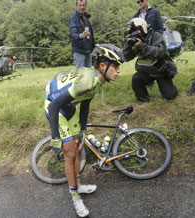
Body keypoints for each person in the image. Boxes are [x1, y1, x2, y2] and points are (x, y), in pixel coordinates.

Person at [44, 44, 124, 217]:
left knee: (79, 147)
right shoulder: (86, 82)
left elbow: (85, 105)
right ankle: (75, 198)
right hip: (55, 107)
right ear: (103, 66)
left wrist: (82, 130)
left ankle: (78, 185)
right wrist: (55, 137)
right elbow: (54, 106)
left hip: (69, 107)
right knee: (70, 154)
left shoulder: (96, 81)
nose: (118, 71)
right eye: (116, 67)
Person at [123, 18, 178, 104]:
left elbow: (159, 52)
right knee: (136, 78)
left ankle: (169, 88)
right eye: (133, 31)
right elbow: (126, 57)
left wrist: (142, 46)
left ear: (143, 28)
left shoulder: (155, 36)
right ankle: (143, 100)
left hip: (160, 70)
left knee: (170, 96)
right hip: (146, 71)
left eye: (137, 30)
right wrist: (128, 45)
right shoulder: (135, 41)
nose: (135, 33)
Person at [69, 0, 95, 68]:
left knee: (88, 73)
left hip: (88, 51)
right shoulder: (73, 19)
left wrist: (93, 46)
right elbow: (73, 34)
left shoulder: (86, 17)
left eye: (83, 5)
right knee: (81, 74)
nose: (82, 7)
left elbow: (91, 34)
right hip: (78, 51)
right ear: (76, 6)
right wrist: (81, 35)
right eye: (80, 5)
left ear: (86, 6)